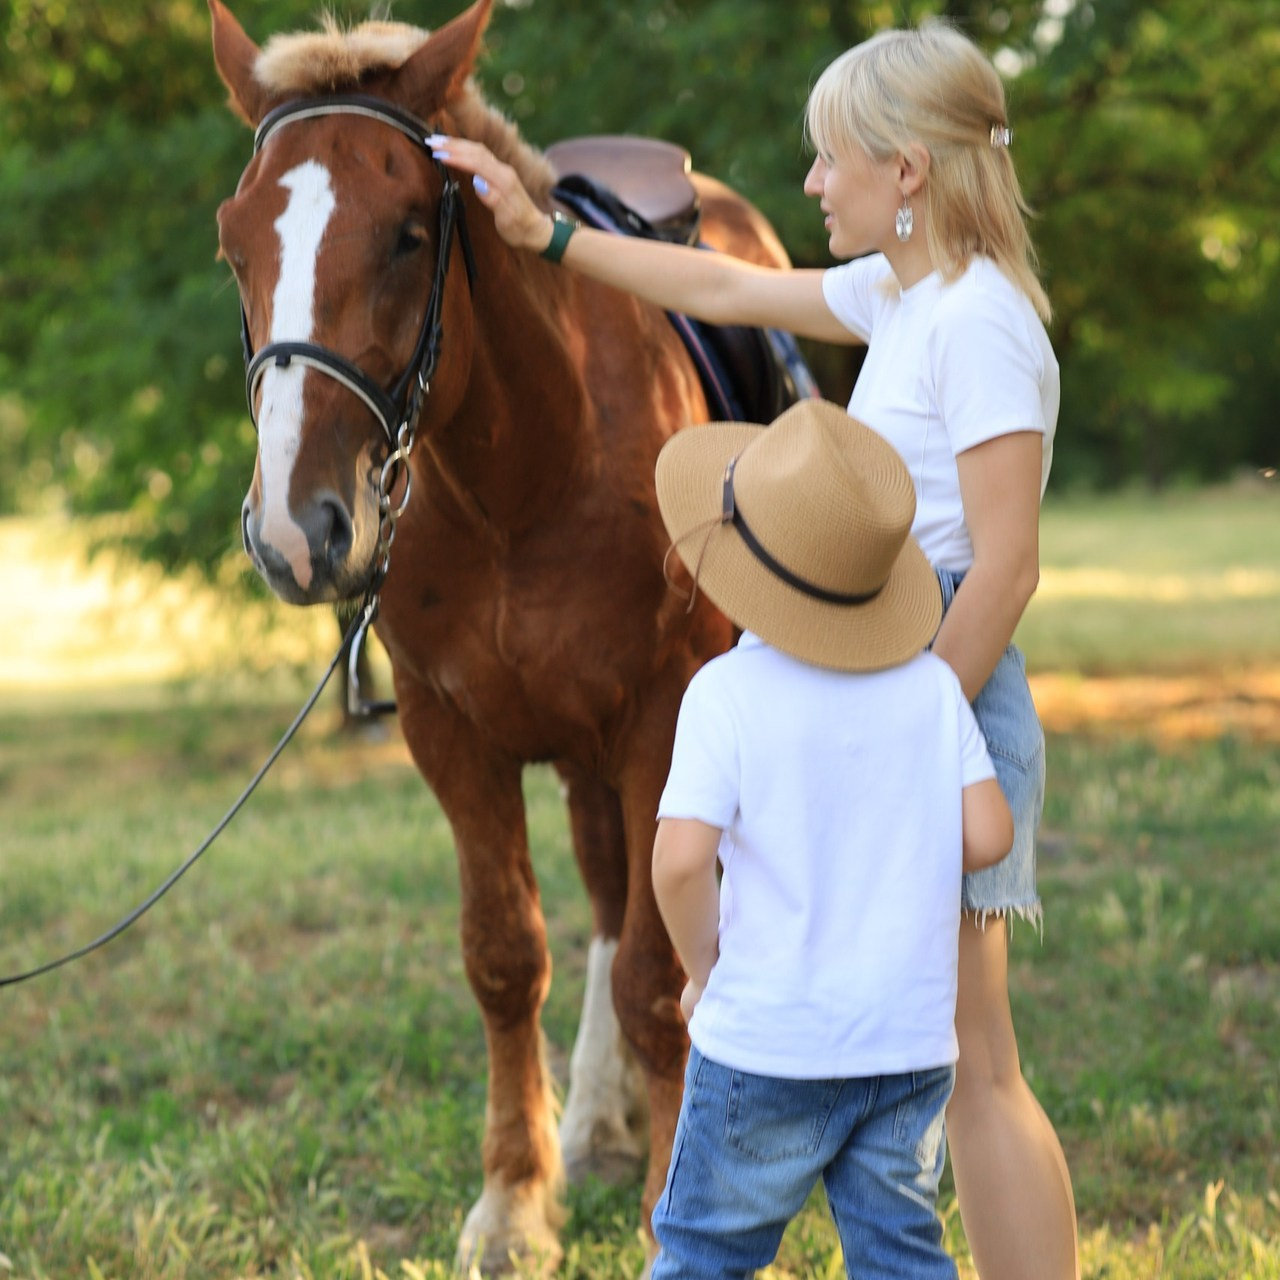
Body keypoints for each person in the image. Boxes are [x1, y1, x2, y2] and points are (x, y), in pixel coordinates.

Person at [430, 17, 1080, 1279]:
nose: (809, 185)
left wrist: (907, 733)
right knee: (957, 1051)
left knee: (976, 1057)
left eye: (831, 158)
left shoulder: (982, 324)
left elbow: (1005, 565)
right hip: (886, 656)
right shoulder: (904, 293)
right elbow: (721, 287)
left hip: (936, 659)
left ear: (908, 171)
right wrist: (546, 234)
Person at [646, 396, 1012, 1278]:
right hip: (908, 1047)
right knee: (900, 1255)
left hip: (765, 1045)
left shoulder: (725, 695)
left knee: (704, 1254)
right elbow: (989, 835)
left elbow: (682, 861)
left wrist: (708, 973)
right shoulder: (929, 689)